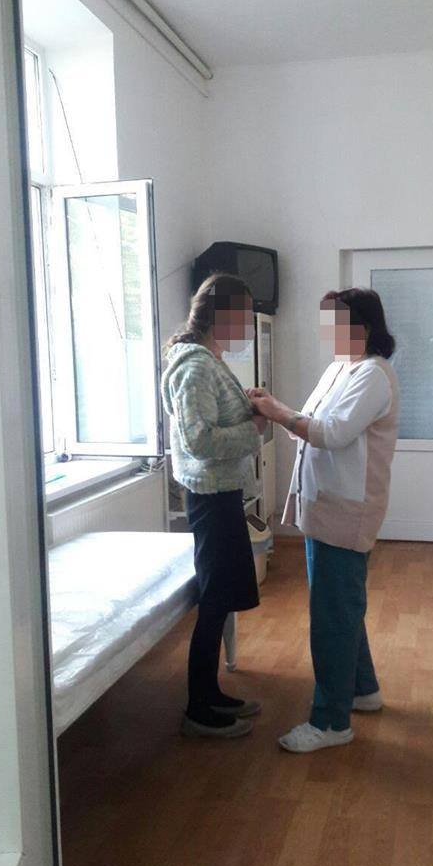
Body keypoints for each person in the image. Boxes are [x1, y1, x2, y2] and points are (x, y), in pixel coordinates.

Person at [249, 288, 399, 753]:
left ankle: (331, 722)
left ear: (363, 328)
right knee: (341, 607)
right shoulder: (339, 369)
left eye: (336, 323)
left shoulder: (373, 375)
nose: (328, 332)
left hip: (346, 510)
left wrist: (277, 412)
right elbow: (307, 420)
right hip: (323, 505)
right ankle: (362, 690)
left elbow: (330, 434)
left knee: (332, 616)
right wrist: (276, 411)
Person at [161, 273, 265, 738]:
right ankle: (198, 710)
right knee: (214, 600)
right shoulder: (196, 366)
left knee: (221, 600)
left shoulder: (209, 360)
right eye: (243, 316)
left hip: (221, 492)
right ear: (220, 316)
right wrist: (254, 429)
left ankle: (212, 693)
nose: (247, 326)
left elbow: (212, 418)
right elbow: (198, 440)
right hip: (210, 496)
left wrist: (248, 406)